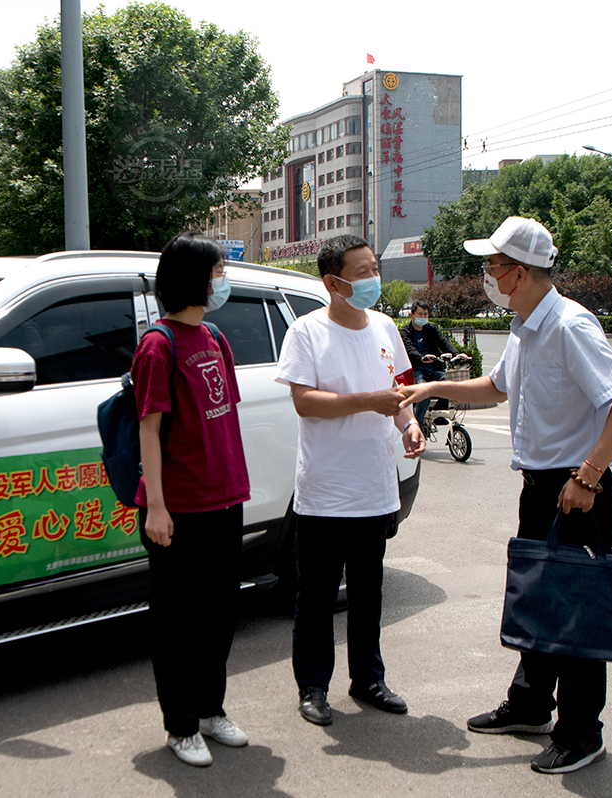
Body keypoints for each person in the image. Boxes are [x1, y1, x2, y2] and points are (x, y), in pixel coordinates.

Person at [397, 216, 612, 775]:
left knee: (576, 612)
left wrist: (588, 476)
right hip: (540, 487)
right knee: (538, 598)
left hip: (576, 490)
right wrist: (433, 386)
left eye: (490, 266)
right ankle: (532, 704)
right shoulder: (524, 325)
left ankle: (583, 732)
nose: (485, 275)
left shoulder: (568, 325)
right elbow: (496, 387)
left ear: (516, 274)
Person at [275, 234, 426, 727]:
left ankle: (369, 679)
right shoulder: (306, 332)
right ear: (333, 282)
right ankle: (313, 688)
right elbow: (305, 402)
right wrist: (367, 401)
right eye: (361, 272)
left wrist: (410, 424)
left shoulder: (384, 326)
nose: (372, 279)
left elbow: (400, 392)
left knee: (369, 590)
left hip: (374, 486)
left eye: (373, 268)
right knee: (317, 596)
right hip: (324, 490)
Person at [132, 232, 251, 768]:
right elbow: (149, 430)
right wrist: (156, 506)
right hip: (178, 508)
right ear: (192, 278)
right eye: (217, 269)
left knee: (219, 612)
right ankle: (181, 725)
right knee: (179, 620)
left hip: (225, 499)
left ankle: (210, 708)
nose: (222, 278)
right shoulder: (158, 345)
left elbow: (223, 415)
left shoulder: (215, 337)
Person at [398, 300, 465, 434]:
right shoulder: (405, 332)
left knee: (449, 383)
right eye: (420, 314)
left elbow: (444, 342)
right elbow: (409, 348)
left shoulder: (431, 329)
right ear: (412, 315)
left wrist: (457, 354)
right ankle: (418, 424)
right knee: (423, 391)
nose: (423, 317)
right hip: (417, 370)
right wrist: (421, 357)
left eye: (425, 314)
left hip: (434, 369)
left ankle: (438, 414)